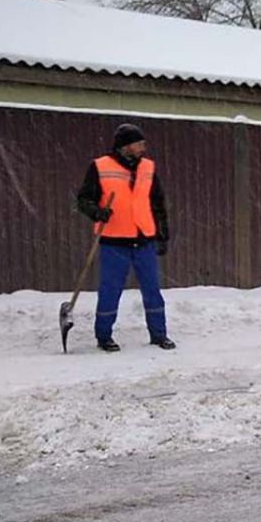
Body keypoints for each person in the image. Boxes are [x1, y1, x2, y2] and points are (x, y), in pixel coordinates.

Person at [76, 123, 175, 352]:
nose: (143, 147)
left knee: (152, 290)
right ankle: (103, 336)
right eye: (139, 143)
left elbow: (157, 204)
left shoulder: (148, 168)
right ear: (125, 146)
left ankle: (159, 334)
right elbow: (83, 199)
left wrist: (162, 235)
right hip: (114, 241)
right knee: (110, 291)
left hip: (144, 239)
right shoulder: (100, 166)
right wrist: (96, 212)